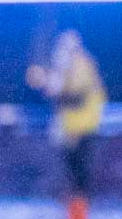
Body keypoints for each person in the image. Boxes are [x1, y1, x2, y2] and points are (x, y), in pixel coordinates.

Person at [42, 30, 105, 197]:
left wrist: (57, 89)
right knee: (73, 174)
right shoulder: (70, 67)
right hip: (73, 126)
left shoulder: (80, 64)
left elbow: (76, 94)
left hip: (82, 127)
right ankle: (76, 212)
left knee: (79, 176)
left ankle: (79, 214)